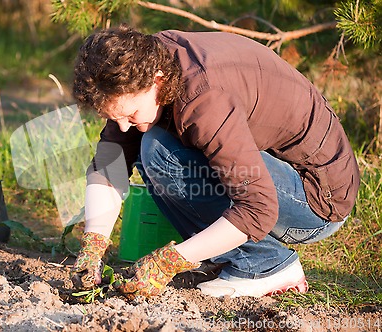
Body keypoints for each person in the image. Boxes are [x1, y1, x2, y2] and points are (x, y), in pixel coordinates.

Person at [69, 24, 360, 299]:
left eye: (129, 113)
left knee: (157, 151)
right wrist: (93, 246)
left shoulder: (203, 99)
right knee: (147, 146)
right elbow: (110, 163)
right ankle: (224, 256)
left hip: (316, 199)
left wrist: (170, 261)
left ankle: (266, 265)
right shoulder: (140, 67)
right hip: (270, 171)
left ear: (156, 80)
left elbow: (259, 207)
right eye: (113, 117)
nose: (122, 126)